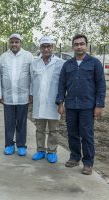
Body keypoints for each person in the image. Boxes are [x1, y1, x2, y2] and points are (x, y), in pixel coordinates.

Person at [56, 34, 106, 175]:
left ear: (86, 45)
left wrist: (99, 105)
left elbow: (101, 85)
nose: (79, 46)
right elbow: (61, 85)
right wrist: (60, 102)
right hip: (71, 105)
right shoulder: (68, 65)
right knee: (72, 133)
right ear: (72, 47)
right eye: (76, 44)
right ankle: (75, 157)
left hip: (87, 106)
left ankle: (88, 163)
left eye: (81, 44)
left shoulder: (94, 63)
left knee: (87, 134)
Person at [30, 36, 65, 163]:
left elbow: (63, 84)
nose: (46, 49)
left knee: (53, 129)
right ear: (40, 48)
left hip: (53, 102)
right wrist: (31, 96)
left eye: (48, 46)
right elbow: (31, 82)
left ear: (53, 48)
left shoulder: (61, 63)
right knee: (39, 129)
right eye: (43, 46)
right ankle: (40, 150)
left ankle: (52, 151)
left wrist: (62, 102)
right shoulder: (34, 63)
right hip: (39, 101)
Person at [0, 33, 33, 156]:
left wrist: (31, 93)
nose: (14, 44)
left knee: (22, 122)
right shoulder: (3, 57)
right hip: (7, 96)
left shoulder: (28, 56)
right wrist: (0, 93)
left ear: (21, 43)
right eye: (12, 42)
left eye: (16, 42)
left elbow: (32, 76)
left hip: (23, 96)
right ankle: (9, 145)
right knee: (9, 122)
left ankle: (21, 145)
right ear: (9, 43)